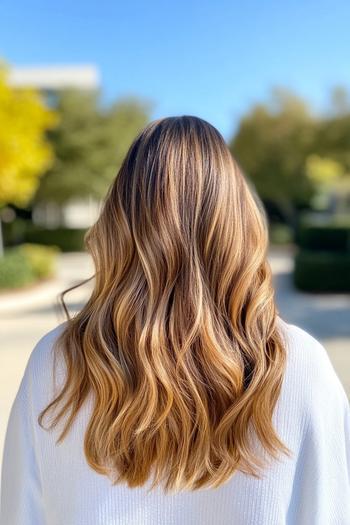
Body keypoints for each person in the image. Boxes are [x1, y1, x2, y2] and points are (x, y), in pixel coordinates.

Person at [1, 116, 349, 525]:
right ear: (239, 223)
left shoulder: (55, 362)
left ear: (118, 222)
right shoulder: (299, 364)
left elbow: (17, 514)